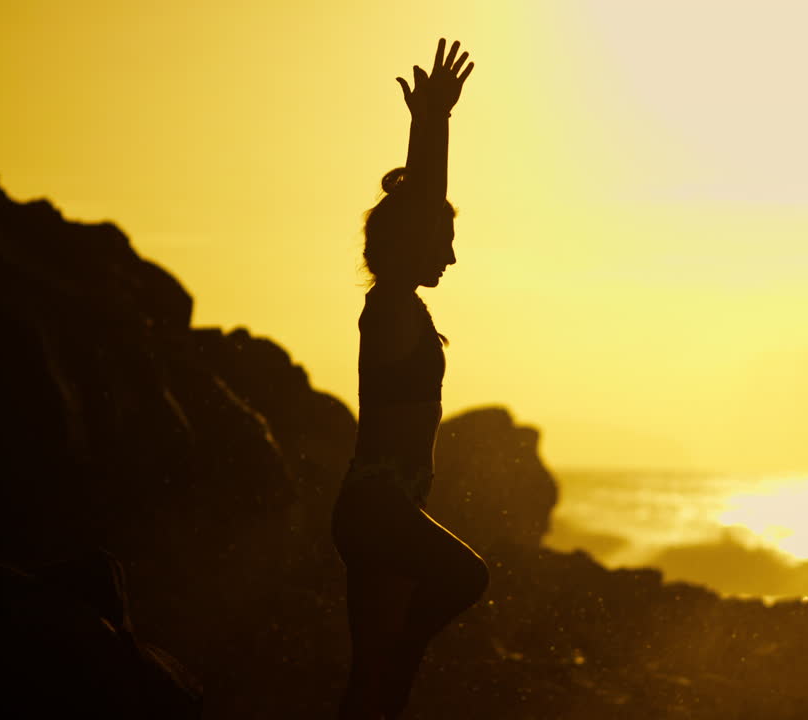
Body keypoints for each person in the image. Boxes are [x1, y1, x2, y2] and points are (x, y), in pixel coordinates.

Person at [330, 39, 487, 720]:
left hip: (382, 511)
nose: (451, 253)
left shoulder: (405, 309)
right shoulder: (389, 303)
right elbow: (423, 202)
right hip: (376, 511)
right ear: (414, 240)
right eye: (443, 238)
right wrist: (434, 123)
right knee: (464, 578)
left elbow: (422, 213)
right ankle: (403, 657)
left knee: (375, 680)